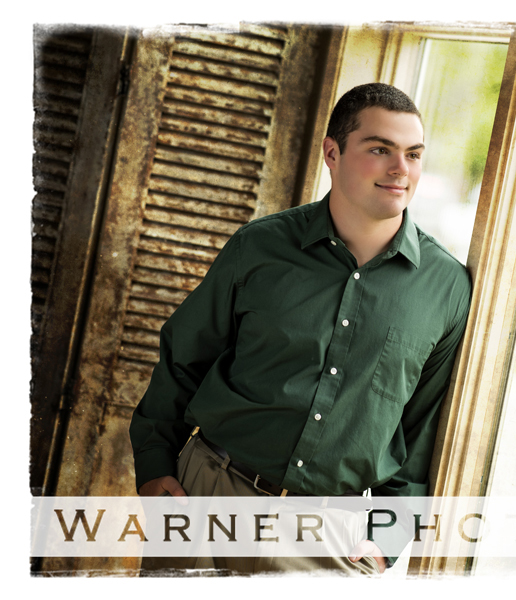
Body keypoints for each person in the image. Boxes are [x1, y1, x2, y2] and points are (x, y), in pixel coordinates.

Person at [129, 82, 472, 575]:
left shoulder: (446, 287)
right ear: (333, 153)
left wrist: (388, 536)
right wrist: (157, 464)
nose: (402, 169)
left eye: (413, 154)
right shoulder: (260, 247)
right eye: (380, 150)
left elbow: (423, 429)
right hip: (206, 501)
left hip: (330, 539)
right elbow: (184, 357)